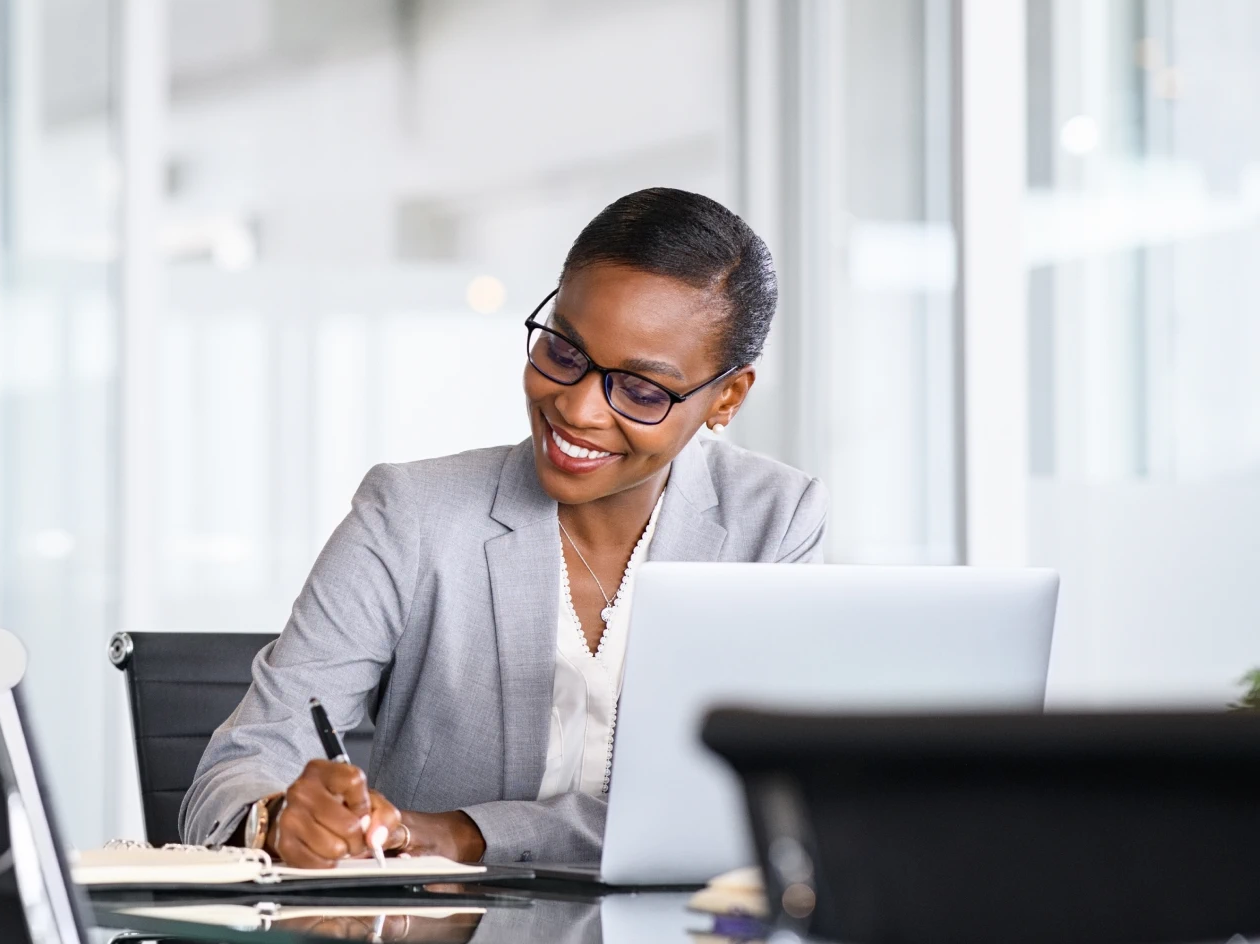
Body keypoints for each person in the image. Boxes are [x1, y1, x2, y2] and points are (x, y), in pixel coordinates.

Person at [181, 187, 826, 868]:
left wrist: (463, 833)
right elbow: (240, 767)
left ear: (726, 397)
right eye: (564, 351)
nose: (576, 408)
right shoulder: (411, 514)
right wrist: (277, 818)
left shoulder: (773, 522)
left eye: (640, 389)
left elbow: (747, 811)